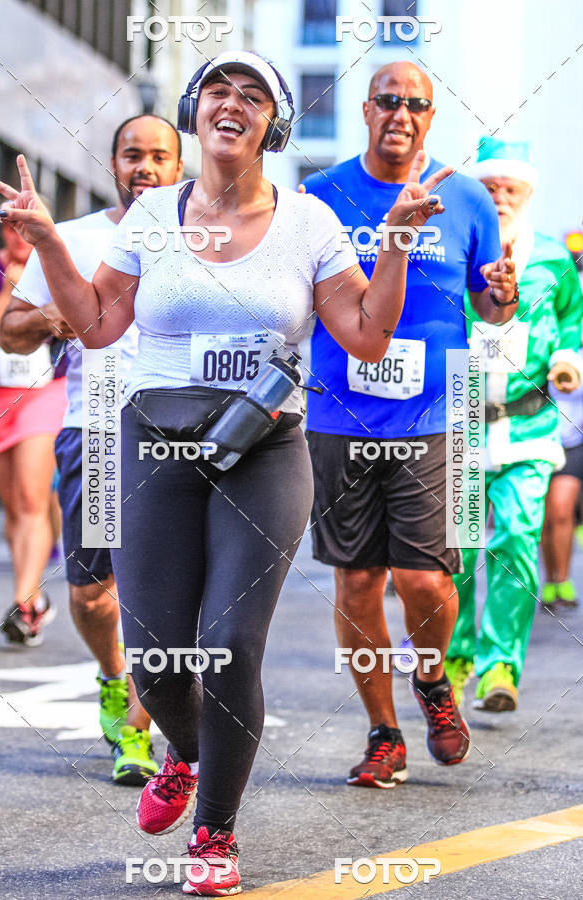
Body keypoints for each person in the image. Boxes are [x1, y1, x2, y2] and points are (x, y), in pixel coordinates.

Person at [0, 49, 447, 896]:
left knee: (231, 646)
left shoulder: (309, 222)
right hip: (155, 440)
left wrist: (399, 249)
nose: (231, 103)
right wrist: (50, 239)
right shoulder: (152, 216)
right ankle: (189, 756)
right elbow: (92, 323)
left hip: (264, 446)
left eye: (253, 94)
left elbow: (368, 336)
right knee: (158, 660)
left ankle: (215, 834)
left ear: (273, 123)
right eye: (218, 91)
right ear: (198, 113)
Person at [302, 61, 517, 789]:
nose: (400, 112)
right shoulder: (321, 195)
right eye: (387, 100)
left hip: (442, 409)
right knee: (358, 581)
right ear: (366, 110)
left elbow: (491, 305)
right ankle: (384, 733)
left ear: (430, 116)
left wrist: (502, 298)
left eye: (415, 103)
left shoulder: (466, 199)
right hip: (340, 409)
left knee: (425, 580)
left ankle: (432, 681)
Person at [0, 115, 184, 785]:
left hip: (177, 434)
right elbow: (13, 334)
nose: (145, 166)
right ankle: (114, 676)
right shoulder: (73, 240)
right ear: (113, 164)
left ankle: (137, 730)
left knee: (157, 590)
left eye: (159, 156)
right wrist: (63, 315)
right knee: (91, 596)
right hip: (97, 431)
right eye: (133, 154)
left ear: (179, 166)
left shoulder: (202, 237)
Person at [446, 138, 583, 710]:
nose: (500, 197)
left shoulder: (553, 257)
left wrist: (567, 359)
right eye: (491, 187)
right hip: (462, 422)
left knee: (519, 540)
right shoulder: (453, 250)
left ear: (528, 192)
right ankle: (454, 653)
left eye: (511, 189)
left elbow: (571, 319)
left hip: (528, 428)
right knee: (458, 549)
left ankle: (501, 665)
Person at [0, 201, 67, 646]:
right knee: (14, 506)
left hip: (43, 393)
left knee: (34, 499)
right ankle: (35, 596)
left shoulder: (55, 264)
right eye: (11, 227)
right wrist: (6, 292)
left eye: (26, 226)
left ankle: (24, 600)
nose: (19, 235)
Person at [541, 363, 583, 608]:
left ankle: (563, 579)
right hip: (539, 442)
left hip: (573, 443)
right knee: (546, 519)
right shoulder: (543, 347)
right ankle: (549, 580)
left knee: (562, 511)